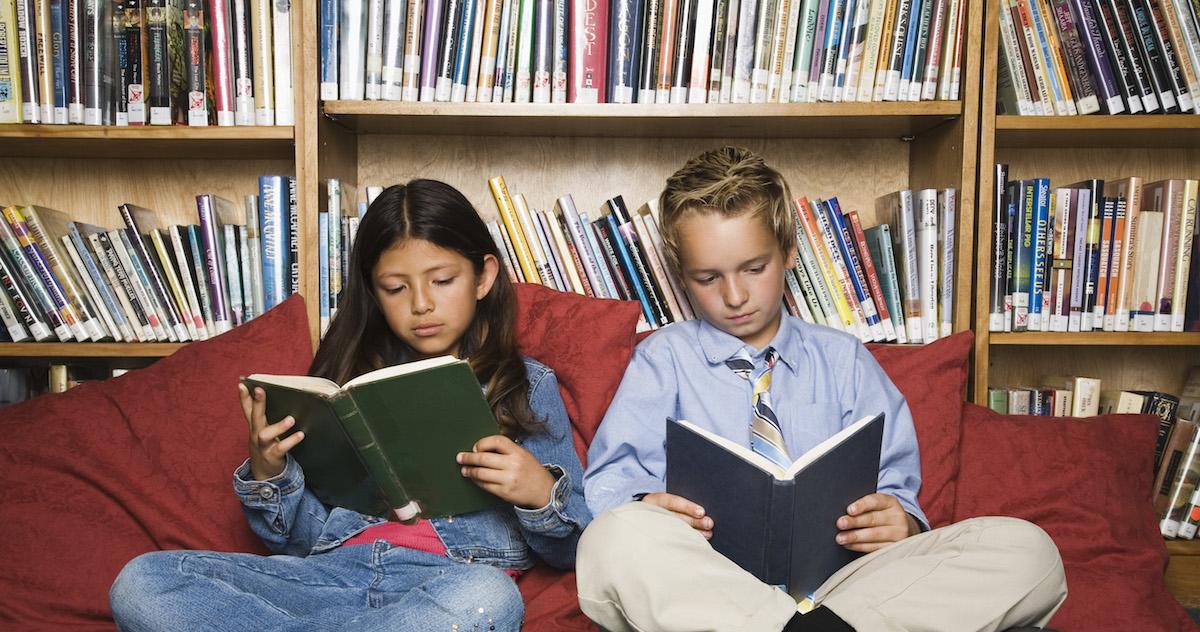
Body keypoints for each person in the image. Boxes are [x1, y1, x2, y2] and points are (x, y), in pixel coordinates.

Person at [577, 147, 1067, 632]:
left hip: (849, 587)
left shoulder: (844, 358)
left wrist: (902, 522)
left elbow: (896, 484)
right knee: (612, 538)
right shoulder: (663, 359)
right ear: (682, 275)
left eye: (754, 268)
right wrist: (646, 506)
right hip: (712, 585)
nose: (734, 296)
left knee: (1028, 552)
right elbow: (610, 483)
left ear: (789, 251)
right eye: (708, 278)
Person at [109, 179, 591, 632]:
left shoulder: (527, 384)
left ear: (484, 277)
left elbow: (572, 547)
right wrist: (269, 473)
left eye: (442, 280)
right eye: (396, 288)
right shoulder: (342, 385)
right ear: (373, 292)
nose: (421, 304)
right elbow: (297, 541)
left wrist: (538, 492)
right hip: (323, 581)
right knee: (144, 580)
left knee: (489, 599)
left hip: (446, 584)